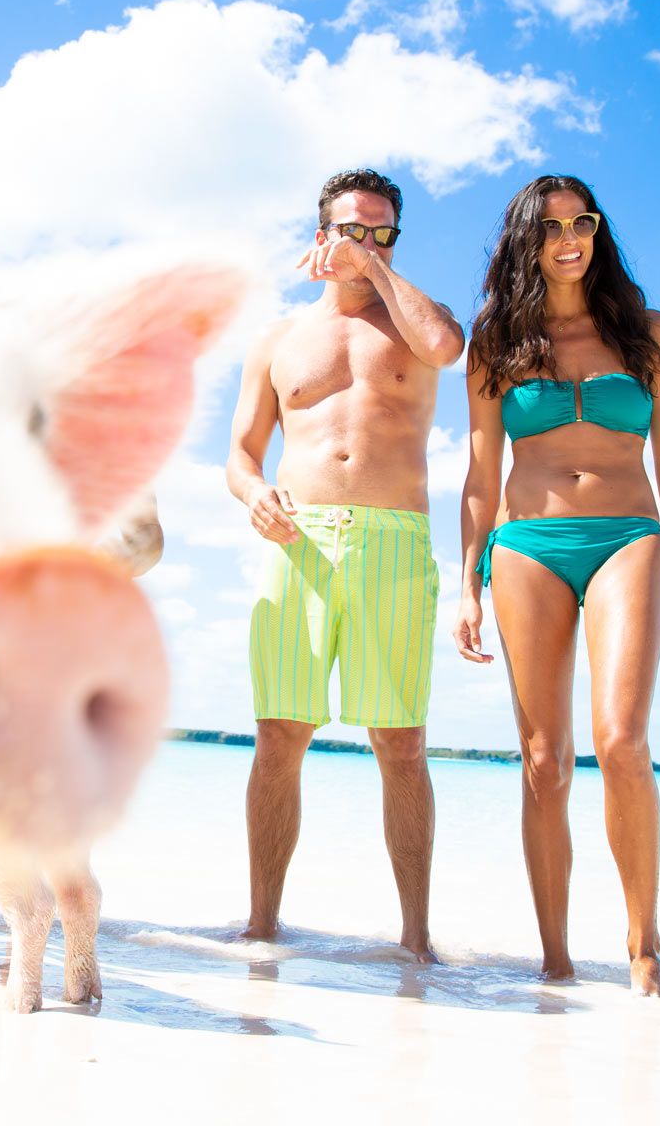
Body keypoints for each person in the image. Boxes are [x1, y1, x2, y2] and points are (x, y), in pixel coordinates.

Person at [453, 175, 660, 997]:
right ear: (527, 239)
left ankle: (643, 946)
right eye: (553, 226)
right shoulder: (495, 343)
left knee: (623, 741)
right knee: (543, 762)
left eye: (583, 223)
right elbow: (479, 472)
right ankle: (555, 963)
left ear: (598, 232)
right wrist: (466, 583)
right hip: (524, 544)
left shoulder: (651, 334)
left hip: (628, 537)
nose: (570, 239)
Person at [226, 168, 464, 963]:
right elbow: (239, 452)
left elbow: (447, 348)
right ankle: (262, 927)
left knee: (400, 743)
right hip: (298, 539)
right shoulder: (276, 338)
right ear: (319, 232)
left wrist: (378, 273)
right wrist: (254, 491)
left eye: (381, 230)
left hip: (395, 540)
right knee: (278, 735)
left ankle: (417, 940)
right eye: (350, 228)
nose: (364, 242)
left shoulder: (416, 324)